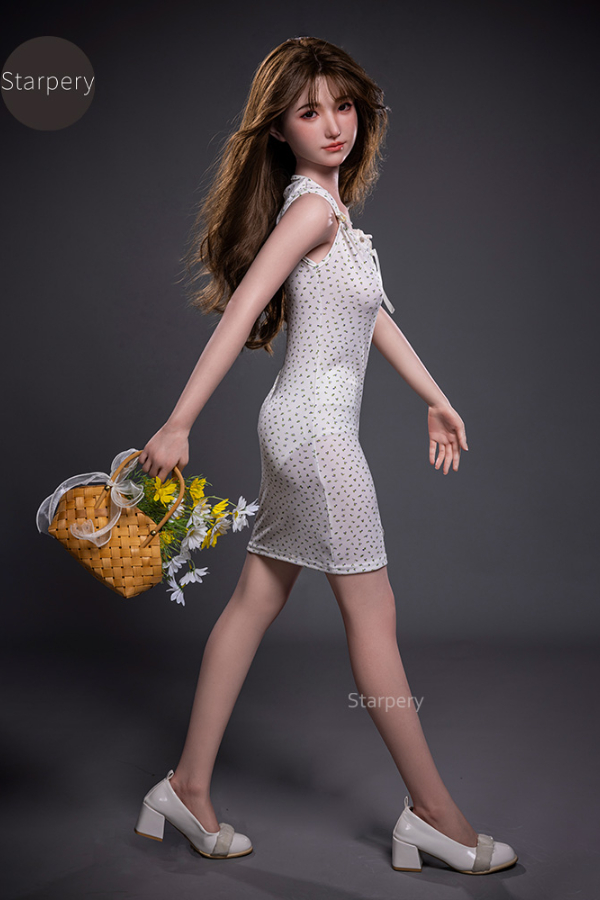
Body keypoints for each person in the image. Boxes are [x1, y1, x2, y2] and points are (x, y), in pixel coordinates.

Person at [133, 36, 517, 875]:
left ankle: (185, 788)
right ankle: (434, 815)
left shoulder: (333, 217)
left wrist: (435, 395)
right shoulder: (309, 211)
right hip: (316, 438)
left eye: (344, 106)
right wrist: (178, 422)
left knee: (252, 604)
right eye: (310, 112)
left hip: (298, 429)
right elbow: (243, 311)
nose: (335, 124)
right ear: (280, 128)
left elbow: (372, 316)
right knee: (373, 620)